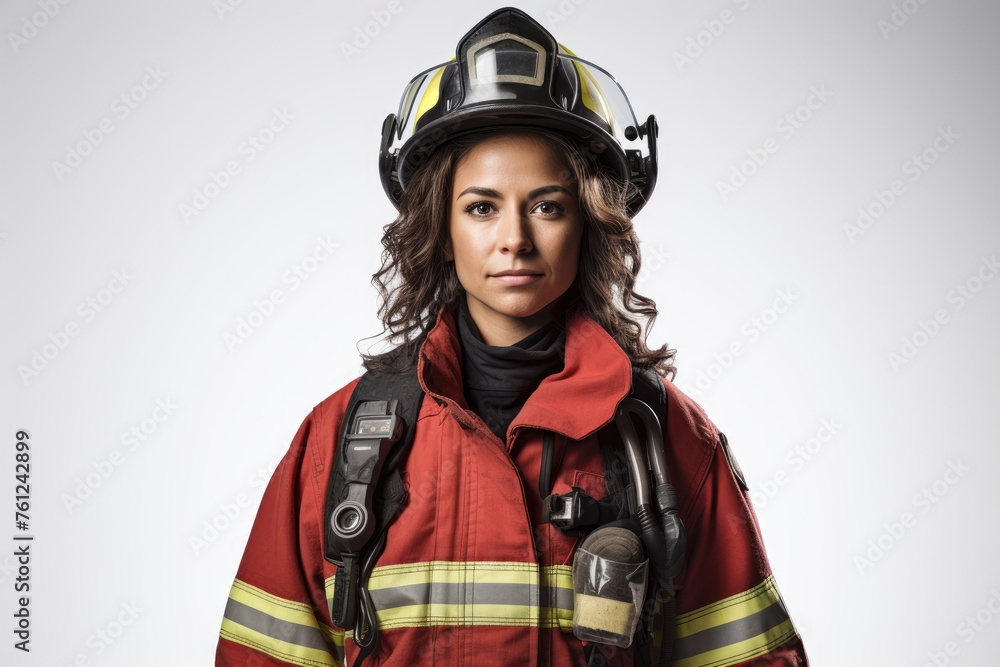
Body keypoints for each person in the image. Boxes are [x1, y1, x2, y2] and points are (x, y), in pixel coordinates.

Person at [216, 8, 808, 667]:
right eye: (482, 206)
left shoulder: (669, 438)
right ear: (438, 228)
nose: (515, 238)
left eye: (548, 205)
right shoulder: (336, 442)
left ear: (589, 223)